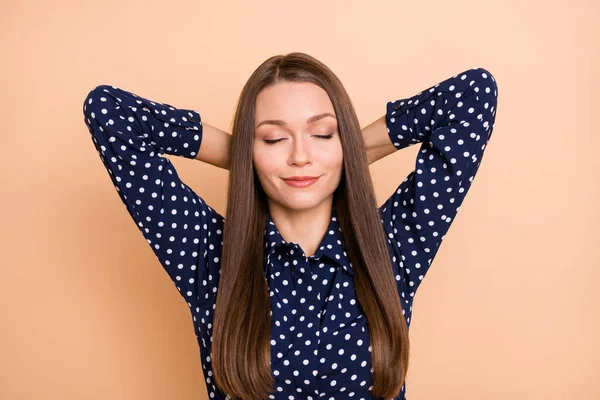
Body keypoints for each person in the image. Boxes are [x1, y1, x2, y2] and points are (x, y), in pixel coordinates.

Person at [81, 52, 498, 400]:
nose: (300, 156)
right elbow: (109, 113)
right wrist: (245, 157)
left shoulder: (391, 246)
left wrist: (352, 152)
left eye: (322, 134)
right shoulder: (209, 255)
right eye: (274, 139)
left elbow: (473, 96)